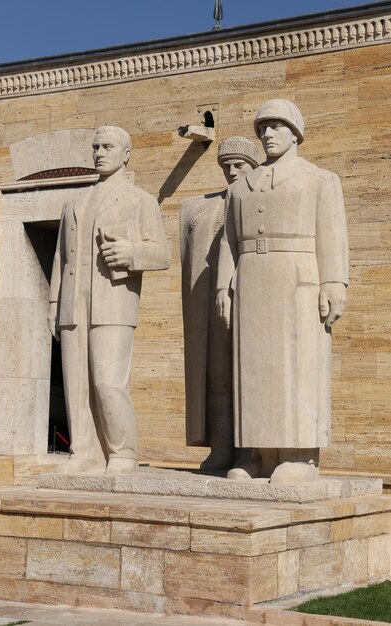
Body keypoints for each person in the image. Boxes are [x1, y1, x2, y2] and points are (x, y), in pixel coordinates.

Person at [217, 100, 349, 484]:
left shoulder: (318, 179)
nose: (268, 135)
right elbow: (228, 241)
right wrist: (225, 287)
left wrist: (335, 281)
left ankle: (299, 455)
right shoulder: (241, 186)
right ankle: (259, 453)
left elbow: (332, 233)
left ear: (295, 132)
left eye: (276, 127)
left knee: (297, 364)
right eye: (263, 129)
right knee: (253, 365)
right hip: (251, 278)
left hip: (298, 276)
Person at [48, 126, 170, 475]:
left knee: (107, 380)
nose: (100, 153)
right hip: (74, 302)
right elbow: (60, 259)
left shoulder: (139, 200)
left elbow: (161, 253)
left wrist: (130, 252)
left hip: (113, 300)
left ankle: (122, 452)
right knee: (75, 381)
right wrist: (53, 305)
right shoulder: (74, 204)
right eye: (96, 147)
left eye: (108, 147)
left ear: (126, 154)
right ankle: (83, 452)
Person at [180, 137, 259, 471]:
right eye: (225, 165)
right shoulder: (205, 206)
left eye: (239, 164)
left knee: (250, 372)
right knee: (217, 374)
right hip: (211, 303)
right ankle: (223, 446)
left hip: (253, 299)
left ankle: (250, 451)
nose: (231, 171)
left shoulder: (260, 199)